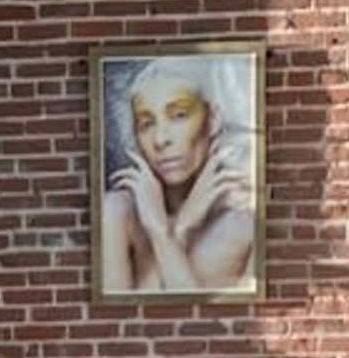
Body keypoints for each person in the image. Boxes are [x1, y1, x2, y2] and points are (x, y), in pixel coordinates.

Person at [100, 54, 256, 300]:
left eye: (179, 115)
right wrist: (171, 230)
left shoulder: (245, 223)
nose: (161, 140)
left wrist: (174, 232)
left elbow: (207, 325)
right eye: (146, 123)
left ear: (213, 119)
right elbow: (122, 324)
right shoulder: (117, 212)